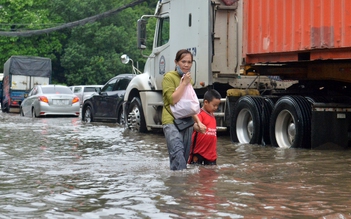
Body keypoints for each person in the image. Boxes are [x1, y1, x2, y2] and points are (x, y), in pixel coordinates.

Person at [162, 49, 207, 171]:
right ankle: (179, 187)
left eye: (189, 62)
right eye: (183, 61)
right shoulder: (169, 77)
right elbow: (173, 99)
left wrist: (198, 122)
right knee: (178, 154)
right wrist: (184, 83)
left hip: (186, 122)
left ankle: (180, 187)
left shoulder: (188, 80)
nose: (186, 65)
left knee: (184, 159)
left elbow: (189, 105)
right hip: (171, 121)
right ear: (176, 62)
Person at [189, 89, 221, 165]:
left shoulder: (212, 116)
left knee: (211, 174)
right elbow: (195, 125)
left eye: (217, 105)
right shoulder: (200, 114)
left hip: (211, 153)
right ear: (206, 102)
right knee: (196, 173)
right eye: (214, 105)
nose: (216, 108)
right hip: (199, 152)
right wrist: (197, 126)